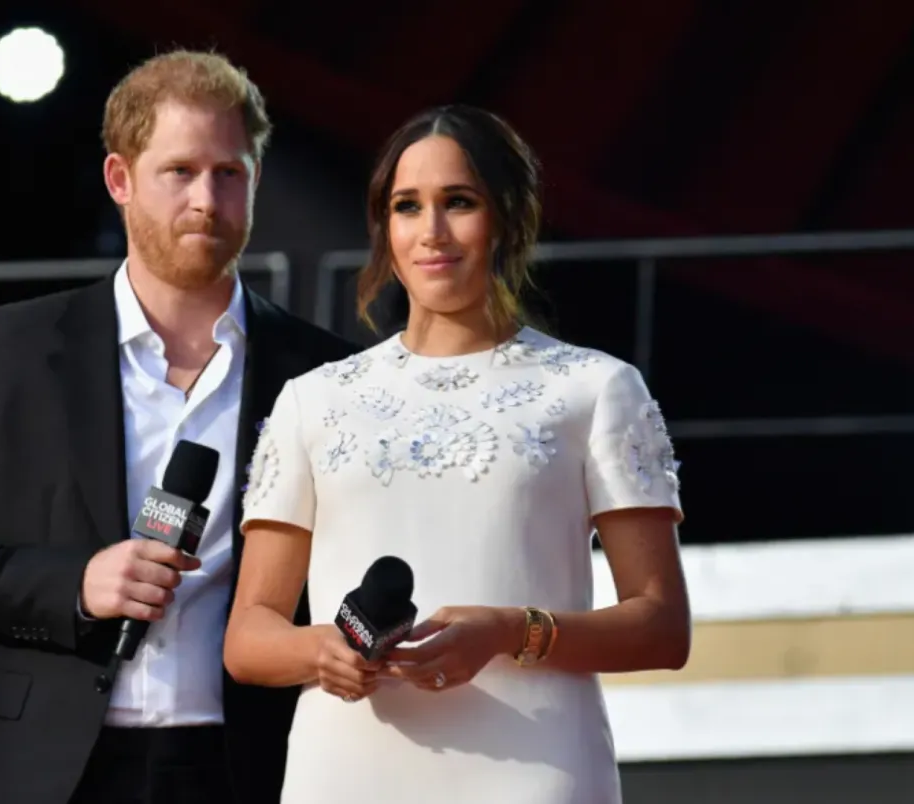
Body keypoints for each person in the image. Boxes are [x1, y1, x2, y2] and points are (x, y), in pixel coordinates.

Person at [0, 49, 356, 804]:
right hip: (35, 768)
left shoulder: (322, 372)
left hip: (242, 767)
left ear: (254, 182)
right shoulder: (14, 350)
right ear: (120, 180)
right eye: (180, 171)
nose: (206, 198)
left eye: (230, 173)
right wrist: (75, 583)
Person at [222, 104, 692, 804]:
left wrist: (511, 630)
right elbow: (248, 638)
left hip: (535, 767)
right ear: (385, 227)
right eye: (408, 207)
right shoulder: (313, 401)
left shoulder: (596, 388)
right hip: (346, 770)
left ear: (505, 217)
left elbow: (661, 627)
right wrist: (319, 651)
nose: (432, 232)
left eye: (459, 202)